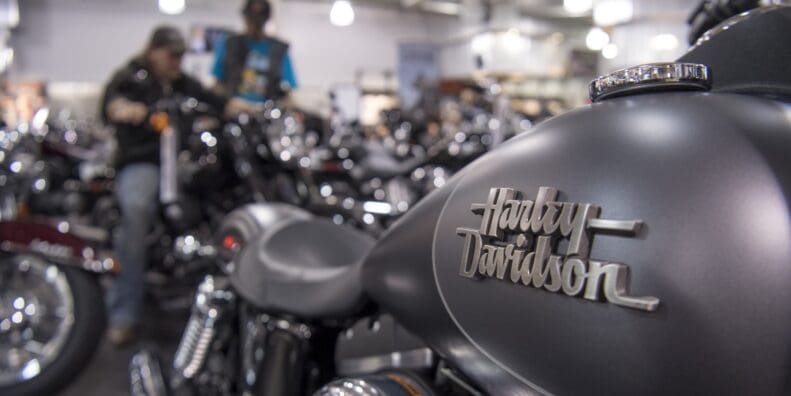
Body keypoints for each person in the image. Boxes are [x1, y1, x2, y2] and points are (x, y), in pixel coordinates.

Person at [101, 26, 250, 346]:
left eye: (181, 55)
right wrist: (125, 109)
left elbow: (216, 99)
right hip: (145, 161)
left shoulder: (181, 82)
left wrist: (250, 108)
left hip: (181, 161)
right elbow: (110, 104)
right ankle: (124, 312)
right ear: (153, 50)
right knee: (137, 212)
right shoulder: (131, 76)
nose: (177, 61)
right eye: (172, 55)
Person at [212, 0, 297, 102]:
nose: (255, 23)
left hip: (267, 111)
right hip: (233, 109)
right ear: (245, 17)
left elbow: (288, 90)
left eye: (259, 18)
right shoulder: (230, 44)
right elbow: (218, 84)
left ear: (267, 19)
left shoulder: (279, 49)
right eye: (251, 17)